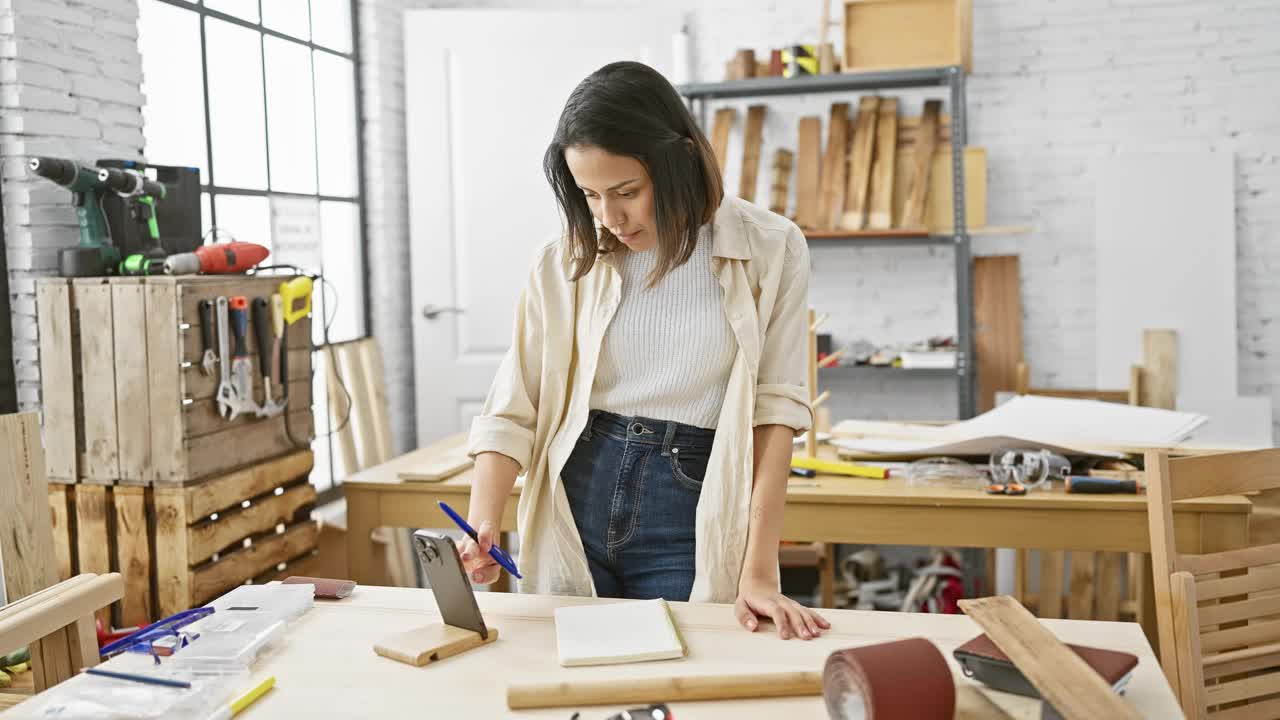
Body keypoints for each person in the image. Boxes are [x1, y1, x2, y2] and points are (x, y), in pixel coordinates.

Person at [459, 61, 828, 640]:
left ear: (678, 159)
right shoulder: (562, 261)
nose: (610, 216)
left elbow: (774, 416)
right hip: (576, 492)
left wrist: (758, 569)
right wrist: (482, 521)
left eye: (627, 191)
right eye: (590, 195)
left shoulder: (771, 248)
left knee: (681, 676)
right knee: (569, 681)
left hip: (690, 501)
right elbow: (512, 407)